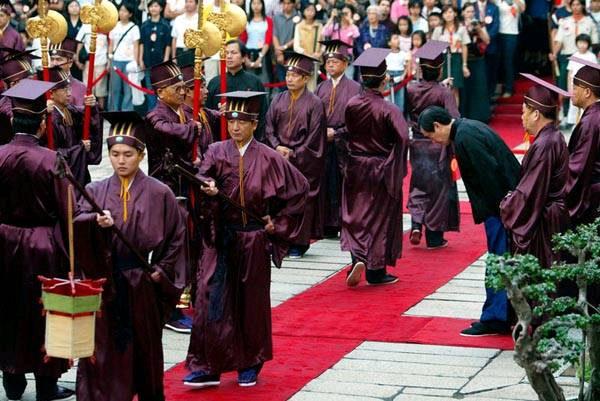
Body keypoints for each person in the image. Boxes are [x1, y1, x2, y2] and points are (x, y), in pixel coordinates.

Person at [184, 91, 309, 389]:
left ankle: (249, 362)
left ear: (255, 124)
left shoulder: (268, 156)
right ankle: (208, 365)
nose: (235, 127)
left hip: (253, 238)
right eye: (231, 121)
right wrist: (208, 188)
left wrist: (276, 223)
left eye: (242, 122)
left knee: (250, 303)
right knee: (209, 298)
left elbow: (300, 190)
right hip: (220, 237)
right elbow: (201, 178)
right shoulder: (216, 150)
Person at [75, 111, 188, 401]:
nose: (121, 160)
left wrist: (161, 271)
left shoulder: (159, 192)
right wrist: (94, 225)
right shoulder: (93, 190)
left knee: (145, 350)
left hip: (142, 283)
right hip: (105, 284)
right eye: (114, 154)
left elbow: (177, 239)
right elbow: (74, 225)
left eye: (128, 154)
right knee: (102, 352)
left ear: (141, 155)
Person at [0, 78, 75, 401]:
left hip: (3, 241)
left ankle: (12, 381)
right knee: (45, 312)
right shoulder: (50, 160)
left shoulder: (0, 154)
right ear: (43, 124)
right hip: (43, 245)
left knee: (8, 308)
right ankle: (46, 384)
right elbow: (68, 211)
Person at [418, 105, 520, 336]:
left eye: (430, 136)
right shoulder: (468, 128)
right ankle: (500, 314)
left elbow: (489, 176)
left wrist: (501, 211)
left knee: (499, 260)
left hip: (501, 209)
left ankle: (497, 317)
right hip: (504, 205)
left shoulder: (466, 137)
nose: (433, 141)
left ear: (437, 126)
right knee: (500, 259)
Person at [342, 48, 409, 287]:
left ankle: (357, 257)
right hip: (380, 165)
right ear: (383, 79)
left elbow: (347, 133)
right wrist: (396, 167)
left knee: (356, 214)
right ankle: (376, 271)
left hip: (355, 164)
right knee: (380, 217)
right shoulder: (389, 109)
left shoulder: (351, 104)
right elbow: (403, 138)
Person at [500, 74, 570, 268]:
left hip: (546, 219)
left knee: (542, 281)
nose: (522, 118)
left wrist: (507, 203)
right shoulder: (552, 137)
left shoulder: (545, 144)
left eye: (524, 112)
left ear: (536, 114)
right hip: (552, 213)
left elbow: (531, 191)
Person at [265, 52, 327, 258]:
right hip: (278, 157)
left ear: (306, 78)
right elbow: (269, 128)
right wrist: (276, 147)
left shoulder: (315, 103)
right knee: (277, 199)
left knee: (301, 200)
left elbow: (315, 136)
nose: (289, 78)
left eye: (295, 74)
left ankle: (298, 244)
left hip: (302, 160)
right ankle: (279, 239)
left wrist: (295, 153)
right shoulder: (277, 99)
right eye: (288, 74)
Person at [405, 40, 460, 249]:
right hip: (438, 145)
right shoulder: (443, 92)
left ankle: (417, 223)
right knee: (438, 190)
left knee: (418, 185)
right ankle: (434, 236)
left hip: (417, 143)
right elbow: (454, 117)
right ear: (439, 70)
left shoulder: (410, 89)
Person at [314, 40, 361, 238]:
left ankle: (344, 222)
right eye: (328, 62)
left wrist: (339, 133)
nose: (330, 65)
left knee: (343, 183)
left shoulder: (355, 88)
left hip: (344, 143)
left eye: (335, 62)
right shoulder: (320, 87)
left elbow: (358, 119)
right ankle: (326, 224)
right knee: (325, 181)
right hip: (323, 143)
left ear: (345, 63)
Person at [41, 66, 102, 186]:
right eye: (64, 90)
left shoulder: (68, 109)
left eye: (69, 89)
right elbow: (51, 153)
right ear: (51, 94)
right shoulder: (49, 120)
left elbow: (87, 117)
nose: (69, 94)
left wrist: (91, 106)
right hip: (62, 178)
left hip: (77, 172)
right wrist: (80, 148)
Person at [206, 40, 269, 141]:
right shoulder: (215, 83)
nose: (229, 56)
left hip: (249, 139)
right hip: (221, 140)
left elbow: (263, 114)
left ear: (244, 58)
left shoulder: (254, 82)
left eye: (233, 53)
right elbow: (207, 114)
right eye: (226, 53)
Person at [565, 56, 600, 228]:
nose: (572, 92)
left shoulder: (590, 121)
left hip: (593, 194)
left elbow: (578, 166)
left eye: (574, 87)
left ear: (587, 92)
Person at [551, 0, 597, 114]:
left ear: (582, 6)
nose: (576, 7)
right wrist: (554, 54)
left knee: (585, 87)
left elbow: (595, 43)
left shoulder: (589, 22)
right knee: (565, 87)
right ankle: (566, 114)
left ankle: (586, 114)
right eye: (573, 5)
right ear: (571, 7)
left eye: (578, 4)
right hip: (567, 58)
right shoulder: (565, 22)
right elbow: (559, 41)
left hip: (585, 59)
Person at [431, 5, 470, 105]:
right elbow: (433, 48)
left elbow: (464, 46)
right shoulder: (438, 29)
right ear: (442, 16)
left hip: (456, 58)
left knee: (454, 89)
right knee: (443, 88)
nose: (448, 15)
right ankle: (444, 115)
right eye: (445, 13)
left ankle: (455, 116)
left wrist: (464, 65)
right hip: (442, 59)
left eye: (450, 12)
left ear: (455, 13)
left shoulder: (461, 28)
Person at [180, 64, 221, 155]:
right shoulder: (180, 118)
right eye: (202, 87)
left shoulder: (204, 112)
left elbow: (220, 115)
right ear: (187, 91)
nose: (207, 91)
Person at [139, 0, 172, 111]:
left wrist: (166, 59)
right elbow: (142, 44)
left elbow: (168, 44)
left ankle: (161, 112)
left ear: (161, 8)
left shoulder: (165, 25)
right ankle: (151, 112)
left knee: (162, 88)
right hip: (148, 61)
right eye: (151, 6)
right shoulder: (144, 25)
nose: (153, 8)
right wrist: (140, 59)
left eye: (156, 6)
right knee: (149, 88)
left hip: (161, 62)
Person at [108, 2, 140, 111]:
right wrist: (109, 59)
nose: (122, 13)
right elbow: (111, 44)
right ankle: (114, 110)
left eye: (125, 11)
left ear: (130, 14)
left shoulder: (134, 28)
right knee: (115, 88)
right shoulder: (114, 26)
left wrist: (135, 62)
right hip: (116, 60)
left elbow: (136, 46)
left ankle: (127, 111)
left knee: (128, 88)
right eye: (120, 10)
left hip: (129, 61)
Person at [461, 2, 491, 122]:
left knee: (479, 88)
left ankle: (480, 116)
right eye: (467, 11)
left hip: (478, 59)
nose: (470, 14)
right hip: (464, 60)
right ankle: (464, 114)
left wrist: (479, 29)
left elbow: (487, 40)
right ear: (463, 13)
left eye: (472, 11)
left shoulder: (479, 24)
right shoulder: (460, 25)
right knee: (464, 89)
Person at [0, 49, 36, 143]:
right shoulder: (5, 106)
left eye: (31, 78)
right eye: (27, 80)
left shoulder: (30, 97)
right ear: (13, 84)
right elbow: (17, 122)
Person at [240, 0, 274, 85]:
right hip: (248, 53)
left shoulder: (268, 20)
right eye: (254, 3)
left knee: (264, 81)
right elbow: (242, 40)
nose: (256, 6)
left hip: (263, 53)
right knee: (249, 81)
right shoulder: (246, 20)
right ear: (250, 5)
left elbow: (268, 40)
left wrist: (260, 58)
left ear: (262, 5)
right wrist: (245, 58)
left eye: (258, 3)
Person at [76, 21, 109, 109]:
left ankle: (101, 111)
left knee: (101, 90)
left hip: (102, 61)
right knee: (87, 89)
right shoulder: (85, 27)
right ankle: (87, 112)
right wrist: (78, 60)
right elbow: (80, 43)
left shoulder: (106, 26)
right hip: (88, 62)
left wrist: (109, 61)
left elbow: (110, 45)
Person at [322, 4, 360, 78]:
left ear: (351, 14)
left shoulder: (352, 27)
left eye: (347, 13)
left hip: (346, 59)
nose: (344, 15)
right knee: (332, 83)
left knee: (347, 83)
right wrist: (332, 18)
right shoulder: (335, 26)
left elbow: (356, 35)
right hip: (334, 58)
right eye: (343, 13)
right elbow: (324, 32)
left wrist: (350, 21)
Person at [566, 34, 597, 125]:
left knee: (586, 107)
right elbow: (570, 73)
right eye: (580, 43)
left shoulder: (591, 57)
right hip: (574, 86)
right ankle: (575, 126)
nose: (582, 45)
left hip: (587, 87)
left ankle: (586, 125)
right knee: (574, 106)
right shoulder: (574, 56)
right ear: (576, 43)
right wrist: (569, 88)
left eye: (585, 43)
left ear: (588, 44)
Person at [497, 0, 525, 98]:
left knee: (508, 62)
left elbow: (522, 9)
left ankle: (509, 88)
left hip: (512, 34)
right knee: (498, 61)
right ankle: (498, 86)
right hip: (498, 33)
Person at [48, 38, 87, 107]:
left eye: (59, 59)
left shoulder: (81, 88)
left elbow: (82, 115)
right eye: (52, 59)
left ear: (70, 63)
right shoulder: (42, 84)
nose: (54, 63)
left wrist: (92, 106)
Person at [293, 3, 323, 91]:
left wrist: (319, 53)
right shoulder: (298, 26)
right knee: (300, 87)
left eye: (312, 10)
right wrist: (308, 55)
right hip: (302, 61)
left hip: (315, 62)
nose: (310, 12)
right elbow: (296, 47)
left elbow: (323, 44)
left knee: (312, 87)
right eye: (308, 10)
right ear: (303, 12)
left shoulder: (319, 26)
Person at [473, 0, 499, 98]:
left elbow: (496, 26)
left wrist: (486, 38)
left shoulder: (494, 7)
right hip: (474, 47)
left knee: (489, 72)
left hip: (490, 45)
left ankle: (490, 96)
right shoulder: (472, 7)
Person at [272, 0, 301, 85]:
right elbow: (274, 35)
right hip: (279, 52)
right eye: (284, 3)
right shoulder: (277, 17)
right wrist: (279, 52)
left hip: (292, 52)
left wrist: (284, 47)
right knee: (282, 82)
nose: (286, 5)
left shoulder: (298, 16)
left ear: (293, 4)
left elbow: (298, 36)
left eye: (289, 3)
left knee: (293, 81)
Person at [386, 33, 409, 110]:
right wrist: (386, 75)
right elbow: (384, 67)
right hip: (389, 76)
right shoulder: (386, 54)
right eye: (395, 38)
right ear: (389, 42)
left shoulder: (403, 54)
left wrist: (403, 76)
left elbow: (406, 67)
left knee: (400, 99)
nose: (398, 40)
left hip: (400, 76)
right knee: (388, 100)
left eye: (398, 38)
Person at [170, 0, 197, 66]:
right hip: (180, 53)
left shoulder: (200, 19)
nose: (188, 4)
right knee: (182, 75)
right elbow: (174, 39)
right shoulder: (178, 19)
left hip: (195, 53)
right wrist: (173, 57)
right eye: (186, 2)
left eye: (191, 2)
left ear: (196, 4)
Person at [65, 0, 83, 80]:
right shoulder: (64, 22)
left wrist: (78, 56)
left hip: (82, 56)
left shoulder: (84, 22)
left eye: (76, 6)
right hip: (67, 55)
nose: (74, 8)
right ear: (67, 9)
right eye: (71, 6)